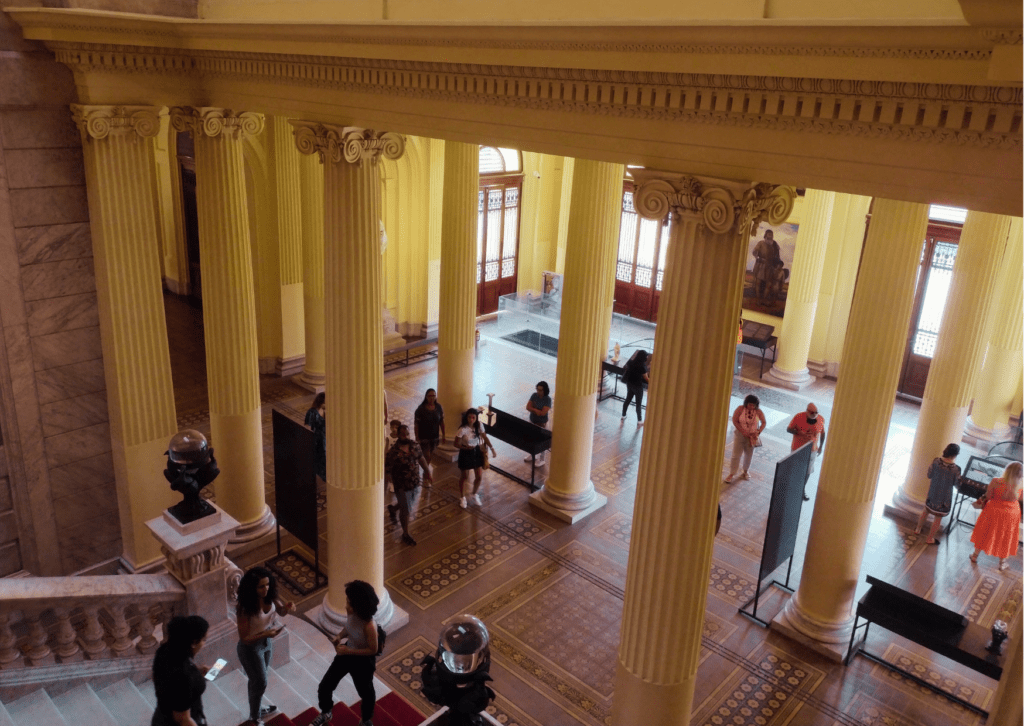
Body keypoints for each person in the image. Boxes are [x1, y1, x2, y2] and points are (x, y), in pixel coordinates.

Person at [311, 580, 381, 726]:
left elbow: (373, 650)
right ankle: (326, 712)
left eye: (349, 603)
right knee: (325, 686)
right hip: (347, 654)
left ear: (359, 606)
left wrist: (350, 650)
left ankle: (366, 720)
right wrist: (339, 636)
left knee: (366, 694)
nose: (346, 606)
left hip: (363, 662)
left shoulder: (370, 626)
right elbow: (348, 627)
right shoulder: (352, 613)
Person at [236, 567, 295, 726]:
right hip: (250, 649)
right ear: (251, 588)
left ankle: (256, 709)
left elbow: (281, 612)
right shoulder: (244, 607)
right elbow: (244, 638)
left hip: (266, 643)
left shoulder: (270, 596)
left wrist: (287, 608)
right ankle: (254, 717)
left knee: (257, 681)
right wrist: (265, 634)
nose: (266, 589)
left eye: (267, 584)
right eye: (261, 586)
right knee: (260, 682)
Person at [151, 615, 210, 726]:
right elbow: (183, 720)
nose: (204, 643)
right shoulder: (183, 676)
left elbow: (158, 676)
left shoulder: (164, 650)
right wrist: (191, 676)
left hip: (161, 715)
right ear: (193, 643)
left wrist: (195, 671)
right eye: (204, 640)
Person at [970, 461, 1023, 571]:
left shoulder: (996, 481)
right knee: (1005, 537)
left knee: (984, 532)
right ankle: (1002, 563)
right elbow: (1020, 499)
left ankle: (975, 556)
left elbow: (989, 496)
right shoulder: (1021, 485)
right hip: (1011, 514)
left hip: (993, 510)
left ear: (1007, 470)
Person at [385, 424, 433, 545]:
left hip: (414, 482)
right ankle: (405, 534)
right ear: (398, 435)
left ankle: (393, 508)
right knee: (406, 509)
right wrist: (388, 480)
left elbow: (421, 459)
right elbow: (387, 467)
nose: (405, 436)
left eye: (407, 433)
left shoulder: (414, 445)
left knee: (406, 504)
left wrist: (428, 472)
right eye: (402, 434)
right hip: (400, 484)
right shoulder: (394, 452)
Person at [914, 443, 961, 545]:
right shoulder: (956, 469)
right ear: (956, 454)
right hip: (944, 497)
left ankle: (917, 529)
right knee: (938, 518)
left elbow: (929, 475)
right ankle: (930, 538)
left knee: (925, 511)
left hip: (932, 492)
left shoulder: (936, 461)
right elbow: (957, 485)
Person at [456, 408, 495, 509]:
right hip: (465, 453)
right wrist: (465, 447)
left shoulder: (479, 425)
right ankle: (462, 497)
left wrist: (492, 448)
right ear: (466, 417)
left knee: (479, 476)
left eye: (473, 417)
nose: (471, 419)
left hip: (476, 452)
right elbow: (456, 444)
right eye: (469, 417)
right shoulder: (462, 429)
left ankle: (474, 494)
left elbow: (485, 437)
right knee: (464, 476)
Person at [786, 403, 826, 501]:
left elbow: (823, 433)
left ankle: (801, 489)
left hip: (812, 450)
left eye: (814, 417)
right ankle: (792, 490)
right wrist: (799, 432)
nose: (813, 419)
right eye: (811, 416)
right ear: (807, 412)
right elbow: (789, 429)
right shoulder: (798, 417)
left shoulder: (820, 419)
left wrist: (820, 446)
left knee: (808, 471)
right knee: (795, 469)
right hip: (797, 449)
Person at [724, 394, 766, 483]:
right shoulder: (740, 409)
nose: (751, 407)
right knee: (736, 455)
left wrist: (758, 432)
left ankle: (745, 471)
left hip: (752, 437)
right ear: (746, 403)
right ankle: (732, 473)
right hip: (740, 435)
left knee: (749, 455)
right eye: (749, 404)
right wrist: (742, 431)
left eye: (753, 405)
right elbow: (735, 420)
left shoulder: (759, 412)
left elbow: (764, 422)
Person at [414, 388, 446, 473]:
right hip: (424, 437)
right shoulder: (421, 409)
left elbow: (441, 421)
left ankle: (425, 467)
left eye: (434, 396)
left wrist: (443, 435)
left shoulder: (439, 407)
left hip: (434, 436)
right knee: (427, 456)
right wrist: (417, 437)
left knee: (430, 454)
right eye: (430, 396)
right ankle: (426, 471)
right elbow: (416, 424)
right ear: (426, 397)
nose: (432, 398)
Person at [751, 228, 783, 304]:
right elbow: (754, 252)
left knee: (768, 284)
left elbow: (777, 256)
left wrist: (777, 264)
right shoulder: (761, 243)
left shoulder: (775, 245)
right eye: (769, 234)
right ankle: (758, 299)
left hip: (770, 266)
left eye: (772, 235)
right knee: (758, 282)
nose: (770, 236)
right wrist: (758, 258)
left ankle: (764, 299)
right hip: (761, 265)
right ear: (765, 235)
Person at [619, 351, 650, 426]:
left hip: (630, 384)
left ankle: (623, 415)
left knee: (627, 400)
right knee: (638, 404)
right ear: (643, 357)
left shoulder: (631, 362)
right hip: (638, 386)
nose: (647, 357)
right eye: (646, 356)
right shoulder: (642, 366)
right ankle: (639, 421)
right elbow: (646, 378)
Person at [525, 381, 552, 464]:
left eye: (540, 390)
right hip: (532, 420)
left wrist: (533, 409)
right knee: (531, 438)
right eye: (537, 389)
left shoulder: (547, 399)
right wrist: (536, 410)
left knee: (541, 441)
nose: (538, 392)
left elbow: (543, 413)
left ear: (545, 390)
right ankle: (532, 455)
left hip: (542, 423)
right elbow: (527, 407)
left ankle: (542, 459)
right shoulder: (534, 395)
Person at [305, 392, 326, 483]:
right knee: (320, 457)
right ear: (320, 402)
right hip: (317, 439)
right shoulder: (311, 412)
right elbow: (308, 427)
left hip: (325, 437)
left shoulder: (324, 410)